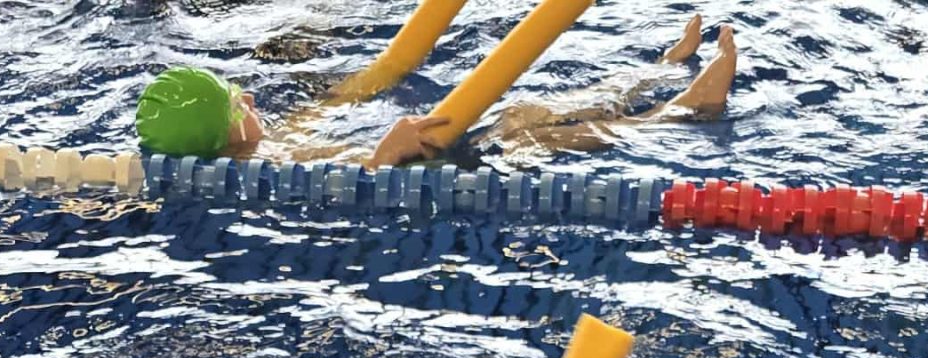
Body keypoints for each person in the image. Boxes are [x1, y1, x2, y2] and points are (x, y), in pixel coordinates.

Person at [134, 14, 736, 173]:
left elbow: (330, 108)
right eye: (236, 104)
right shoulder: (260, 172)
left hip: (410, 149)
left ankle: (658, 72)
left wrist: (365, 84)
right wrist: (382, 155)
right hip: (415, 169)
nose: (250, 99)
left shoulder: (267, 142)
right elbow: (343, 188)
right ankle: (679, 111)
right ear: (225, 134)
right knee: (524, 137)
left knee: (520, 111)